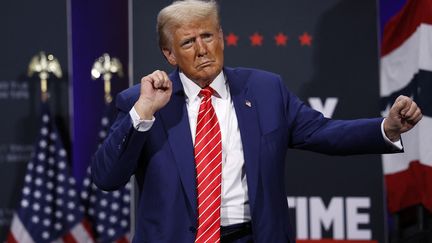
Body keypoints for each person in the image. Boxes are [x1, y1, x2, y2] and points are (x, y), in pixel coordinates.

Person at [92, 0, 422, 242]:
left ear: (221, 36)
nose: (203, 49)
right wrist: (143, 112)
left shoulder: (265, 90)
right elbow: (107, 177)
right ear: (169, 54)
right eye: (188, 42)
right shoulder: (144, 100)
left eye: (208, 36)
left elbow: (323, 132)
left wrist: (387, 128)